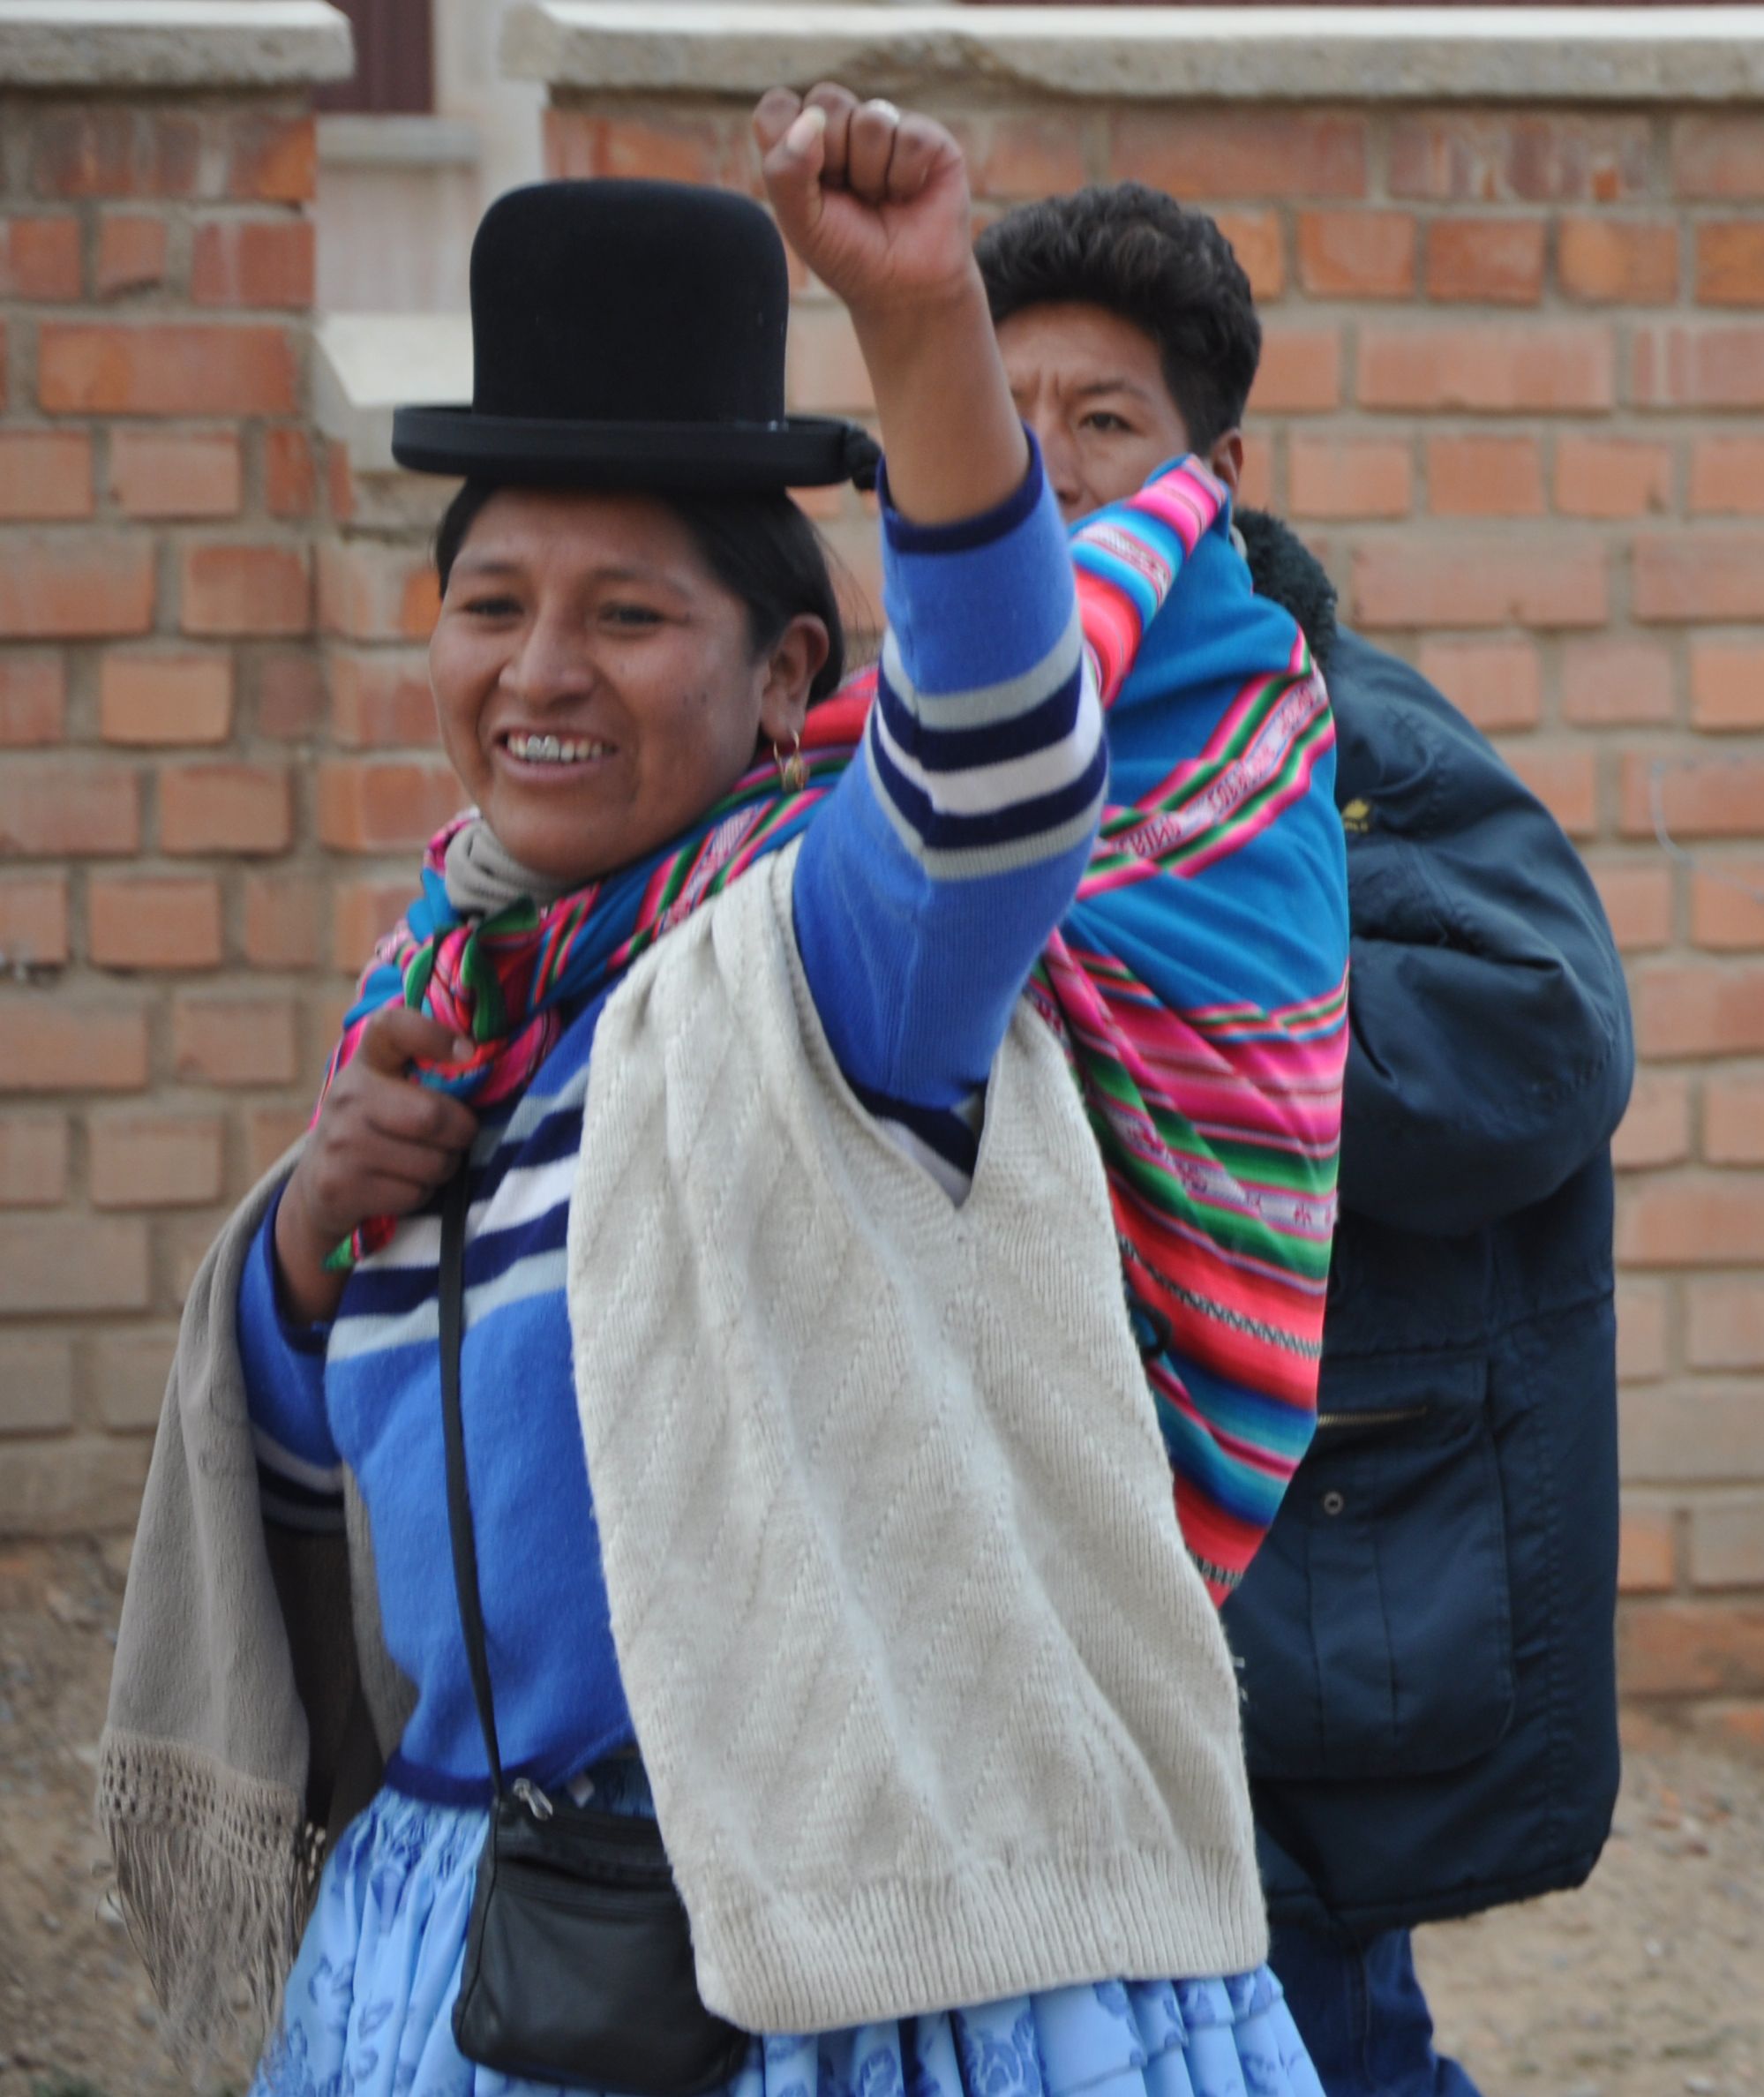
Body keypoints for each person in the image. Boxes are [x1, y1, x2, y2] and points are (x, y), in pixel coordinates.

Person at [100, 90, 1349, 2097]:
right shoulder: (450, 998)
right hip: (457, 1945)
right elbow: (362, 1505)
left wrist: (927, 324)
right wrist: (309, 1244)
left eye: (629, 614)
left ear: (784, 680)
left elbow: (998, 767)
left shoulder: (833, 968)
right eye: (492, 602)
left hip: (830, 1979)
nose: (541, 670)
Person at [979, 183, 1633, 2097]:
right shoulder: (952, 758)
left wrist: (1169, 1029)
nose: (1051, 471)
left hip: (1287, 1577)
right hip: (1060, 1575)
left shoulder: (1338, 731)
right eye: (1002, 422)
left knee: (1316, 2040)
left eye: (1103, 421)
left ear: (1219, 469)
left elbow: (1543, 1036)